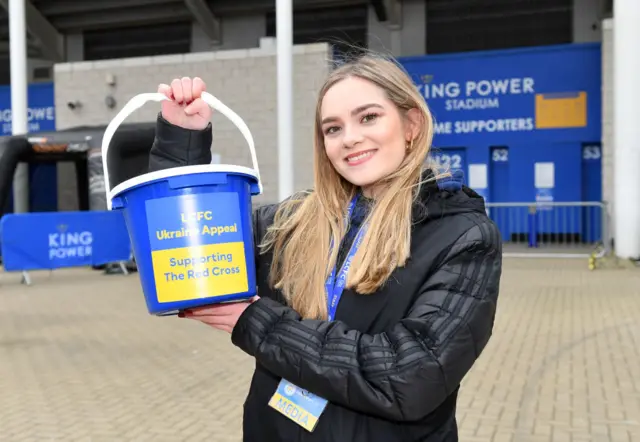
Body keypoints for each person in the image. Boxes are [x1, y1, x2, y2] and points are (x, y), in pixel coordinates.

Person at [147, 54, 503, 442]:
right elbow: (185, 241)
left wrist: (255, 322)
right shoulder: (293, 222)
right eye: (332, 128)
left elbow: (411, 377)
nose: (349, 137)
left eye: (368, 117)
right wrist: (183, 143)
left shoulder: (463, 237)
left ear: (411, 124)